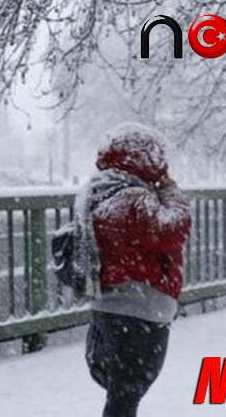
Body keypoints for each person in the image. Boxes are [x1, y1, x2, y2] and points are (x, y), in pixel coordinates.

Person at [76, 124, 192, 417]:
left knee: (119, 384)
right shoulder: (134, 198)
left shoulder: (96, 191)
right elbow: (172, 228)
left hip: (107, 303)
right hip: (141, 306)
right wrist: (170, 189)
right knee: (129, 389)